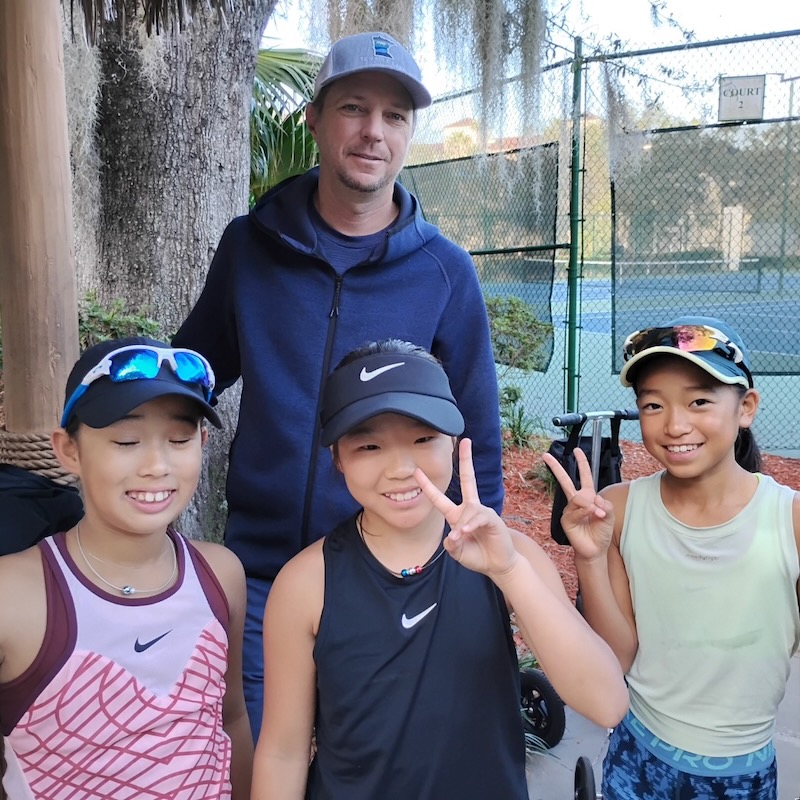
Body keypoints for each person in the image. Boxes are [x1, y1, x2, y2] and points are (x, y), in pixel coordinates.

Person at [172, 31, 504, 739]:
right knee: (267, 759)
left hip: (391, 574)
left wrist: (480, 579)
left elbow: (476, 437)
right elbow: (190, 375)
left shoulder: (445, 273)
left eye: (394, 116)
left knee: (375, 772)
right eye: (354, 107)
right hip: (263, 574)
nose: (373, 131)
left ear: (408, 134)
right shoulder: (250, 248)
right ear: (315, 120)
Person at [251, 339, 628, 799]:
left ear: (453, 443)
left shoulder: (512, 557)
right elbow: (283, 751)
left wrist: (510, 572)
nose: (401, 468)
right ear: (338, 458)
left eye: (423, 438)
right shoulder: (307, 583)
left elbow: (606, 704)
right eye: (369, 445)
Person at [544, 316, 800, 800]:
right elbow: (618, 656)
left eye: (699, 401)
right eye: (653, 405)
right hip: (636, 756)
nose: (675, 425)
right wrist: (589, 559)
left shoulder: (789, 521)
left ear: (746, 407)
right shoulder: (619, 508)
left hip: (742, 773)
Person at [0, 337, 253, 800]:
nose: (156, 465)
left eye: (179, 440)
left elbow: (231, 716)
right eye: (126, 441)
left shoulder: (220, 575)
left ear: (202, 443)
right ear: (69, 450)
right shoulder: (13, 596)